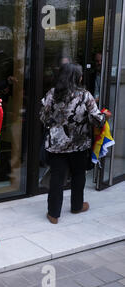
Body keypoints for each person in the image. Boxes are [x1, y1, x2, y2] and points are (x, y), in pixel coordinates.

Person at [40, 63, 111, 224]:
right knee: (78, 175)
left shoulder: (52, 93)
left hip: (56, 145)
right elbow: (96, 120)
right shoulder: (85, 95)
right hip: (79, 145)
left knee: (57, 177)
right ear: (76, 77)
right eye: (80, 75)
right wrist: (105, 116)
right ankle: (77, 206)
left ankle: (53, 214)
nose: (81, 77)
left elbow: (43, 118)